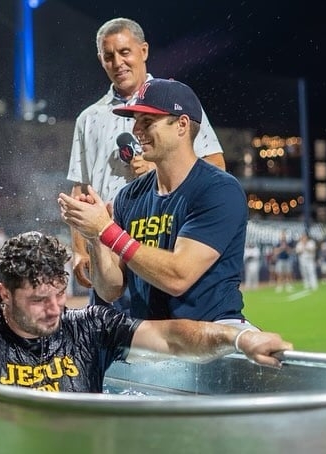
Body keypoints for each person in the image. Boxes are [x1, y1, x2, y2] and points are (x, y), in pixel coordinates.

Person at [0, 191, 292, 393]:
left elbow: (173, 338)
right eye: (38, 300)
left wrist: (238, 337)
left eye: (59, 293)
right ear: (2, 293)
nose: (55, 308)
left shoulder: (88, 326)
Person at [59, 78, 253, 327]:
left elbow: (179, 276)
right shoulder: (130, 196)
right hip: (153, 338)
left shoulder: (219, 189)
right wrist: (95, 237)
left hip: (212, 334)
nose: (136, 130)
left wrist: (107, 231)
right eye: (136, 121)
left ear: (182, 125)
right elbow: (111, 289)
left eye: (148, 121)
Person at [67, 18, 226, 311]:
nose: (118, 62)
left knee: (167, 340)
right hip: (107, 252)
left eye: (125, 52)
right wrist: (79, 251)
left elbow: (216, 166)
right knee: (108, 344)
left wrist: (164, 171)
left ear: (144, 50)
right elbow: (82, 189)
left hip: (161, 241)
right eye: (108, 56)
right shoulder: (88, 118)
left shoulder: (176, 102)